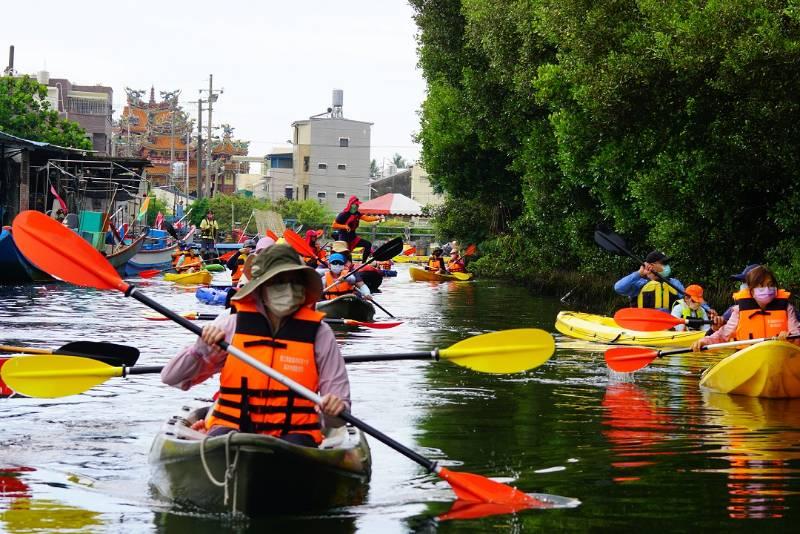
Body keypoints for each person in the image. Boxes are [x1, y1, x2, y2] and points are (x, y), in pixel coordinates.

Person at [161, 244, 350, 445]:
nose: (288, 289)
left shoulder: (320, 334)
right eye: (279, 282)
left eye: (295, 282)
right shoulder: (229, 324)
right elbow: (171, 378)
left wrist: (333, 409)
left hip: (295, 434)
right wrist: (201, 348)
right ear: (261, 287)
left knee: (297, 444)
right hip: (231, 429)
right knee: (224, 440)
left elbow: (339, 417)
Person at [691, 265, 800, 351]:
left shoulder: (787, 308)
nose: (767, 289)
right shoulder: (739, 311)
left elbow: (796, 332)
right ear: (751, 290)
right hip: (748, 356)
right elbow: (722, 335)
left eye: (770, 285)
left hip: (779, 354)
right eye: (761, 286)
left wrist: (790, 337)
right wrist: (704, 341)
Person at [613, 250, 685, 311]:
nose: (667, 266)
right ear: (652, 265)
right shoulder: (639, 283)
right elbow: (618, 288)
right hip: (643, 325)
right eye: (664, 263)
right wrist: (639, 274)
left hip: (667, 325)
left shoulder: (674, 283)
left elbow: (686, 300)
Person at [330, 196, 384, 263]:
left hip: (353, 238)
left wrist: (377, 218)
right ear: (351, 204)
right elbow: (334, 225)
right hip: (344, 239)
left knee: (368, 244)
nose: (357, 206)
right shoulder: (343, 214)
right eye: (356, 204)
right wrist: (345, 226)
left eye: (358, 204)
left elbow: (366, 218)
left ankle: (363, 263)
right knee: (347, 256)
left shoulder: (357, 213)